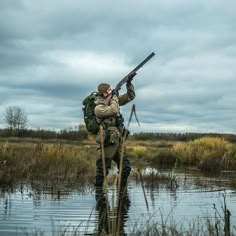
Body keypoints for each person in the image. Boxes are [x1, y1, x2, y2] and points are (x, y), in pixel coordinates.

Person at [94, 72, 136, 187]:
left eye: (110, 90)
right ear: (102, 94)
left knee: (126, 167)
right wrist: (115, 96)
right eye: (107, 91)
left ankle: (121, 192)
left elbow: (130, 97)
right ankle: (99, 194)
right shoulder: (98, 108)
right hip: (107, 140)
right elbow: (112, 110)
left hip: (119, 138)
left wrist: (129, 83)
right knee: (102, 170)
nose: (110, 92)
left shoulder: (114, 100)